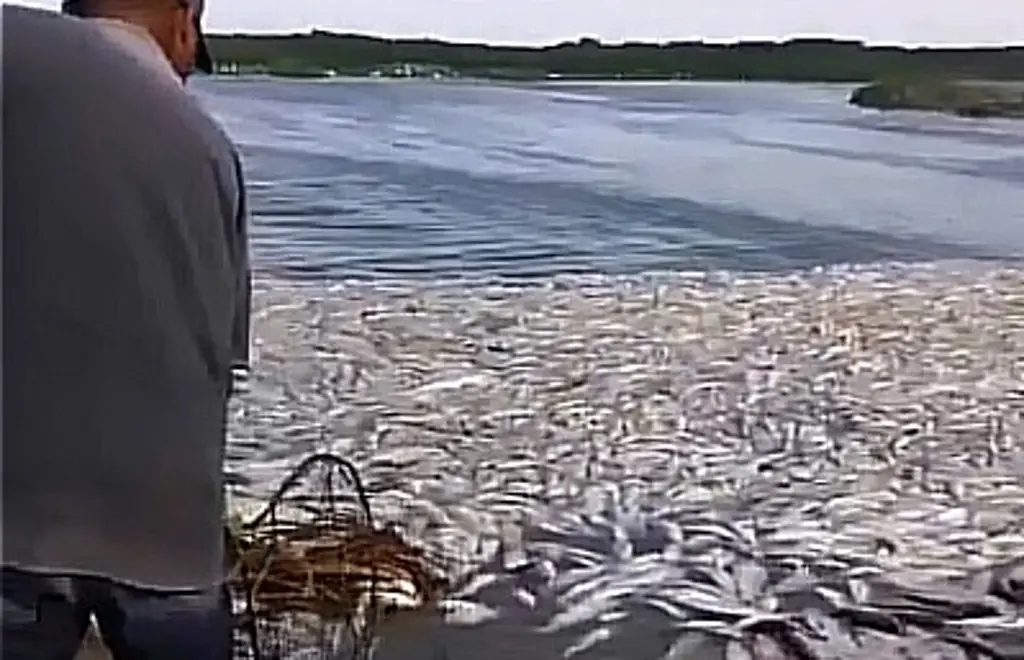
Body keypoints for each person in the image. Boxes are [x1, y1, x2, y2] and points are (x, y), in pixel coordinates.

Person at [2, 1, 251, 658]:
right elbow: (227, 355)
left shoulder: (15, 47)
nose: (190, 71)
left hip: (19, 530)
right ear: (183, 18)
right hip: (176, 541)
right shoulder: (212, 150)